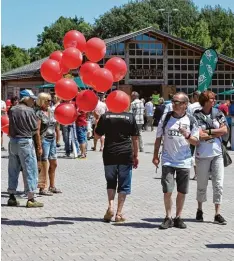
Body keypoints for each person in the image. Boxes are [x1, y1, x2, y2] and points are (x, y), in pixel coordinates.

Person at [152, 92, 199, 229]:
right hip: (168, 159)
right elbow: (158, 138)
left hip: (184, 160)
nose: (173, 104)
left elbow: (195, 142)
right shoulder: (166, 118)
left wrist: (186, 134)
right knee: (167, 189)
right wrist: (155, 156)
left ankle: (178, 217)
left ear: (185, 104)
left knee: (182, 191)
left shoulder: (191, 119)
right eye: (173, 101)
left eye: (177, 102)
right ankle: (168, 217)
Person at [95, 110, 139, 222]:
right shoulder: (130, 117)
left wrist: (97, 121)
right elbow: (135, 138)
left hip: (110, 153)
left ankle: (110, 206)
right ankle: (119, 214)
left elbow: (96, 135)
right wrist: (136, 155)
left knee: (111, 181)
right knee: (124, 184)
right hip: (125, 154)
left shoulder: (106, 116)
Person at [194, 91, 228, 225]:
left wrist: (208, 132)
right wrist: (215, 133)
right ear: (205, 100)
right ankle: (200, 209)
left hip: (217, 153)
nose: (214, 100)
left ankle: (217, 213)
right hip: (202, 155)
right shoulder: (196, 115)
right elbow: (198, 135)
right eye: (211, 99)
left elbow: (224, 130)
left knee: (218, 184)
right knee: (202, 184)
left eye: (214, 98)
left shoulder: (218, 113)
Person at [7, 89, 44, 208]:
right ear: (25, 98)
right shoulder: (30, 111)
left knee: (13, 170)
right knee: (30, 169)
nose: (33, 101)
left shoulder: (12, 110)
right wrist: (39, 146)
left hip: (13, 141)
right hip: (25, 141)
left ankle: (11, 196)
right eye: (31, 98)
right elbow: (35, 130)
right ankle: (31, 198)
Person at [36, 93, 62, 195]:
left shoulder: (52, 111)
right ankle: (42, 188)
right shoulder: (38, 113)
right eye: (47, 101)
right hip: (44, 140)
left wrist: (58, 137)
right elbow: (37, 130)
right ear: (42, 101)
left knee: (54, 164)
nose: (49, 102)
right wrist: (39, 145)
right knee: (44, 164)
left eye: (50, 100)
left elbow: (56, 125)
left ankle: (52, 186)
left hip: (52, 140)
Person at [187, 91, 202, 180]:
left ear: (195, 96)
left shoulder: (191, 107)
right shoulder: (205, 105)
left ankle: (197, 174)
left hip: (194, 133)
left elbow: (189, 120)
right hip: (205, 133)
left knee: (193, 154)